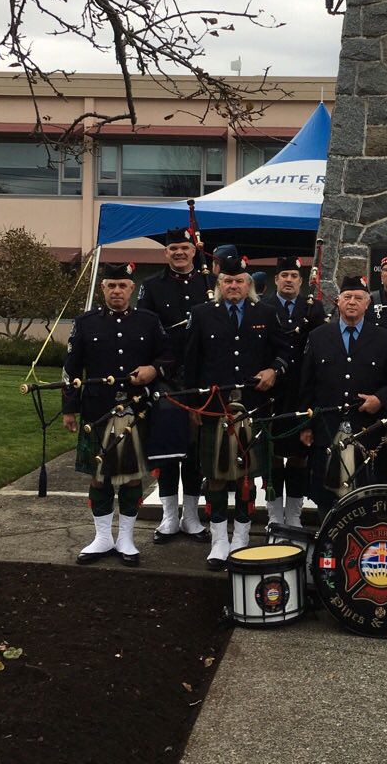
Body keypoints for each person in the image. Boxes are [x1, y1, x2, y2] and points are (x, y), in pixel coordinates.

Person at [183, 257, 291, 569]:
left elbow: (285, 352)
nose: (234, 286)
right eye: (228, 281)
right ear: (219, 285)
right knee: (215, 477)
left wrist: (274, 370)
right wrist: (193, 406)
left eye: (239, 281)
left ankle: (242, 537)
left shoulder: (266, 314)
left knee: (246, 478)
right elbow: (190, 364)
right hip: (214, 408)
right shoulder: (202, 315)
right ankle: (219, 539)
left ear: (249, 285)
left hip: (253, 407)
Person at [62, 263, 173, 567]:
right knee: (100, 478)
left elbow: (169, 355)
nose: (117, 291)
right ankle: (102, 538)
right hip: (97, 411)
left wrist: (153, 369)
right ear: (103, 288)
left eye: (122, 286)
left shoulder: (148, 322)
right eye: (111, 285)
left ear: (131, 289)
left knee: (130, 479)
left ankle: (126, 538)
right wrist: (69, 408)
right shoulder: (85, 323)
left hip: (136, 412)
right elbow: (71, 369)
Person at [298, 276, 387, 520]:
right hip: (327, 428)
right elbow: (306, 384)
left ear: (367, 304)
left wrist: (380, 399)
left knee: (368, 494)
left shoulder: (384, 338)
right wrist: (306, 426)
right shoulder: (318, 337)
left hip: (369, 432)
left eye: (359, 298)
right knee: (326, 496)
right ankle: (329, 547)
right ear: (338, 302)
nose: (352, 302)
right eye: (347, 297)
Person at [137, 227, 212, 544]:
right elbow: (143, 331)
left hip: (202, 377)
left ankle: (192, 517)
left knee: (195, 450)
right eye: (173, 249)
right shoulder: (152, 287)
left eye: (184, 248)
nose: (179, 253)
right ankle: (169, 517)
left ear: (194, 250)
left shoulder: (209, 283)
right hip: (166, 378)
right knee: (168, 448)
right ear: (166, 253)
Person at [261, 255, 327, 527]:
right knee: (273, 454)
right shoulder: (262, 306)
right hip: (271, 389)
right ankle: (275, 515)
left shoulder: (313, 308)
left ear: (301, 281)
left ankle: (295, 516)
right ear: (276, 279)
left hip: (302, 388)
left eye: (294, 276)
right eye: (284, 275)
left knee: (300, 454)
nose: (289, 280)